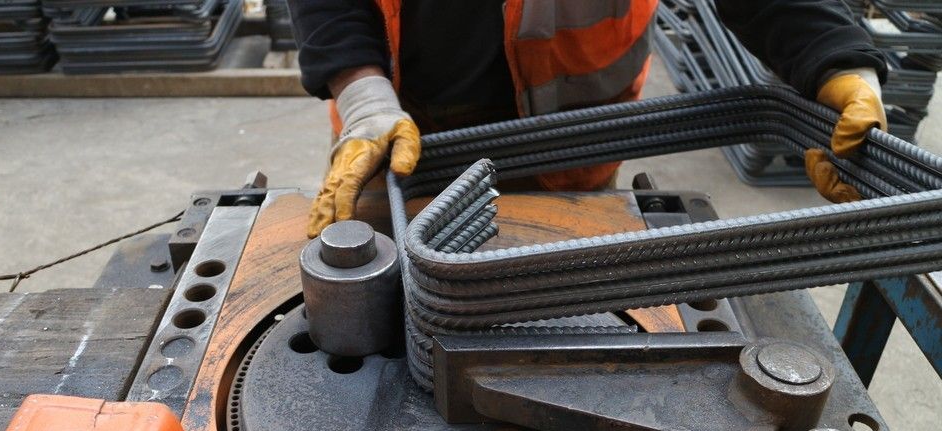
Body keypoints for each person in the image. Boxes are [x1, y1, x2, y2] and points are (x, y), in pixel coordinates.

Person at [287, 1, 888, 238]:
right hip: (397, 131)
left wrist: (836, 60)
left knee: (575, 313)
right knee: (372, 293)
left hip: (569, 142)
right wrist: (363, 97)